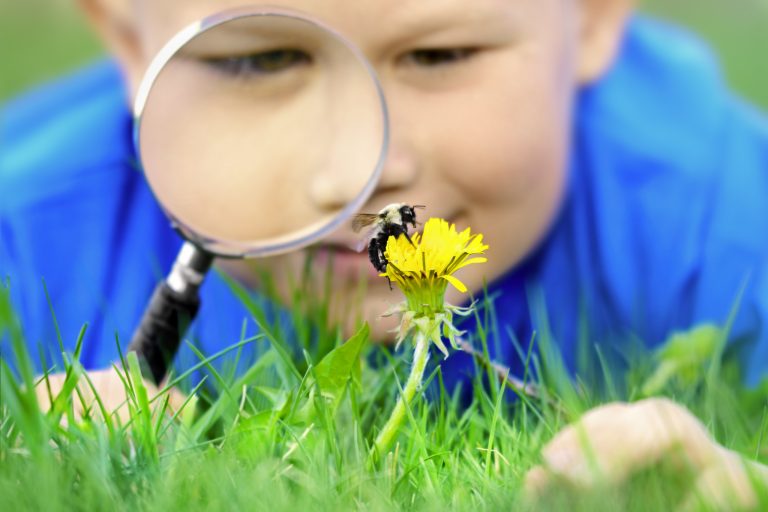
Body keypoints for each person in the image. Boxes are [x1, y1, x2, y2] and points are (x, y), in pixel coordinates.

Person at [2, 0, 767, 505]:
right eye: (260, 61)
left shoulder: (724, 220)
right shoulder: (21, 238)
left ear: (595, 17)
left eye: (439, 55)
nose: (353, 177)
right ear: (131, 42)